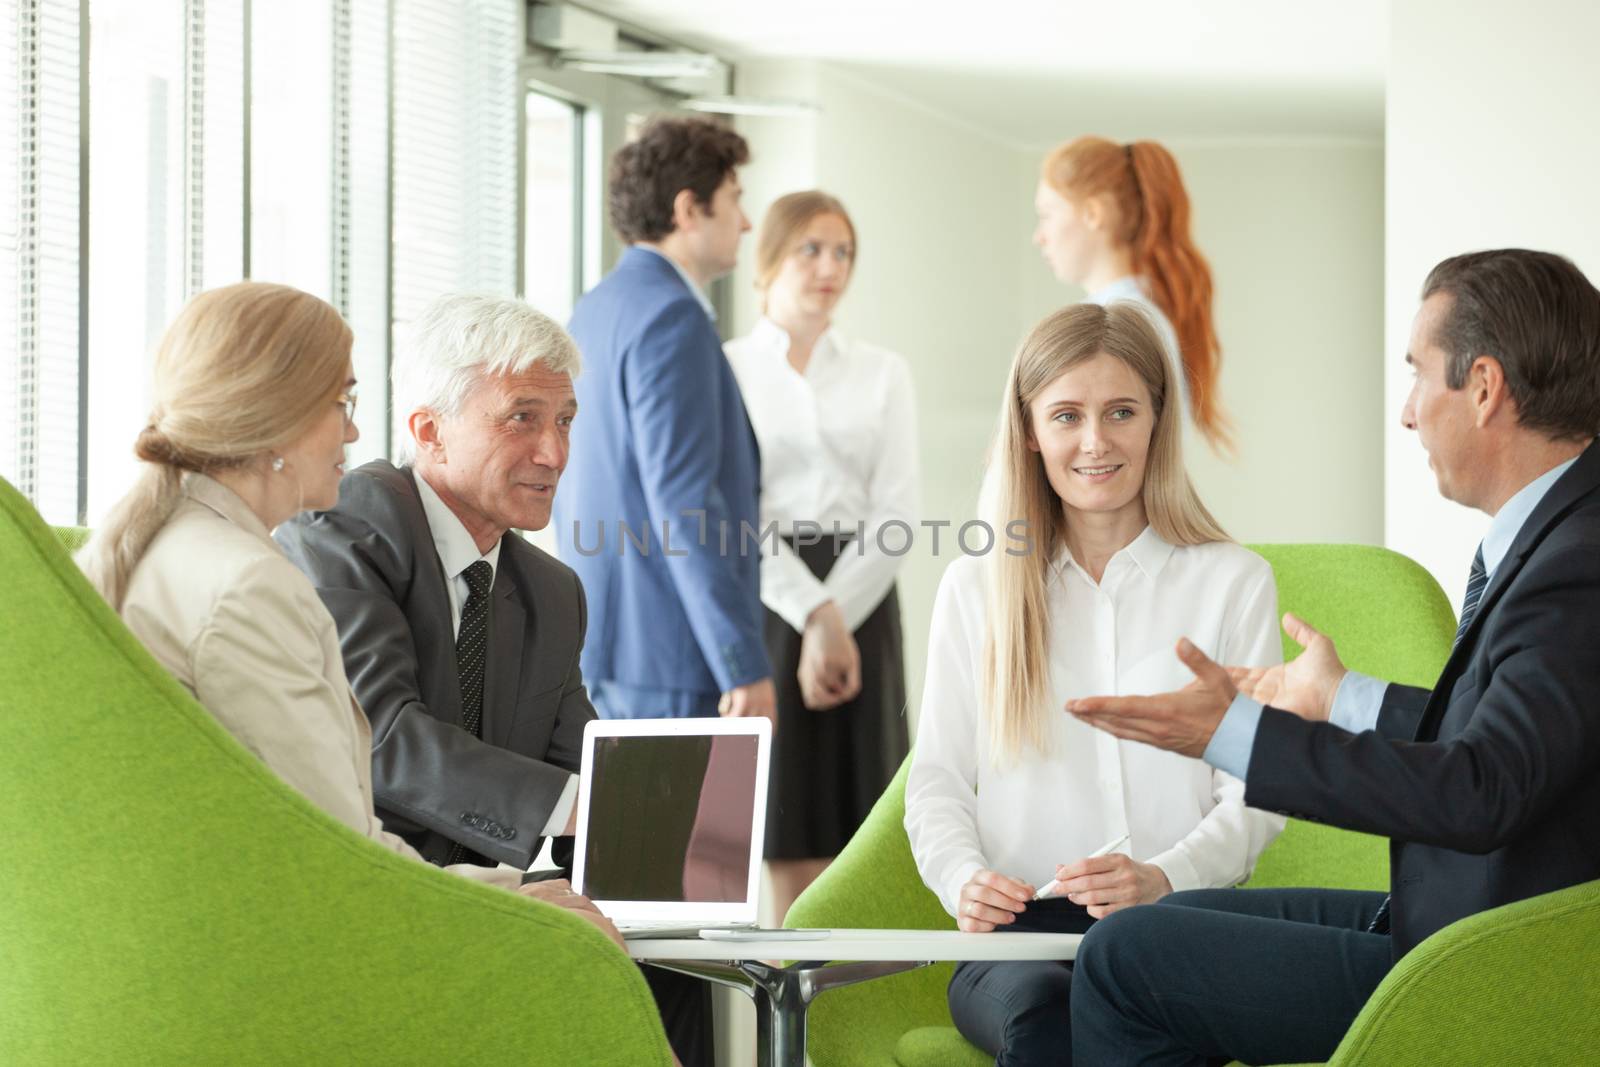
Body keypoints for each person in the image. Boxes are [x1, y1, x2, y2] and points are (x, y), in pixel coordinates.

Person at [1065, 248, 1600, 1067]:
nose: (1408, 413)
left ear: (1485, 387)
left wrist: (1239, 735)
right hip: (1461, 923)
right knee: (1145, 930)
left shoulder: (1577, 560)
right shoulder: (1565, 532)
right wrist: (1343, 696)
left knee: (1119, 963)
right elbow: (1518, 746)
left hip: (1497, 967)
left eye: (1419, 374)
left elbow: (1485, 789)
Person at [76, 281, 619, 948]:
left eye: (564, 420)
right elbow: (346, 848)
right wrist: (518, 905)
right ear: (275, 417)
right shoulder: (257, 579)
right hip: (286, 939)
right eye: (342, 402)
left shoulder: (185, 553)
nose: (357, 430)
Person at [274, 293, 708, 1066]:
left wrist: (690, 849)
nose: (554, 451)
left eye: (566, 420)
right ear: (428, 430)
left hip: (491, 901)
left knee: (677, 963)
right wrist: (583, 804)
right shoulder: (346, 526)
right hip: (371, 895)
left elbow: (587, 755)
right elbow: (386, 739)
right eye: (522, 417)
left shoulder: (550, 589)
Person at [904, 301, 1285, 1066]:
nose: (1094, 441)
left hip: (1177, 924)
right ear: (1030, 429)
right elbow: (938, 780)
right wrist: (961, 879)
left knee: (1151, 1013)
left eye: (1120, 411)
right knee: (1051, 1017)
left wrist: (1162, 875)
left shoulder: (1233, 582)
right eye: (1067, 414)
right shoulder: (975, 589)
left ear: (1157, 420)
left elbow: (1256, 794)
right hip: (1019, 948)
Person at [724, 191, 918, 922]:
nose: (829, 266)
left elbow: (897, 514)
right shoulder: (728, 368)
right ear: (769, 258)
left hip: (865, 601)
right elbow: (734, 513)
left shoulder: (883, 371)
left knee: (862, 840)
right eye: (811, 248)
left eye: (843, 252)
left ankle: (850, 1027)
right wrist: (812, 613)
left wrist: (837, 615)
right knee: (788, 836)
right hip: (768, 600)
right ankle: (789, 1032)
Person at [555, 116, 774, 728]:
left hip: (606, 644)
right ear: (688, 209)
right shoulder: (672, 318)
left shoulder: (597, 308)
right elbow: (684, 504)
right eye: (735, 199)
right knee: (694, 829)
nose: (747, 221)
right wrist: (741, 661)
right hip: (673, 657)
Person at [1032, 135, 1230, 450]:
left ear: (1092, 214)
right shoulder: (1138, 314)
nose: (1039, 237)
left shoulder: (1117, 324)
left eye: (1047, 215)